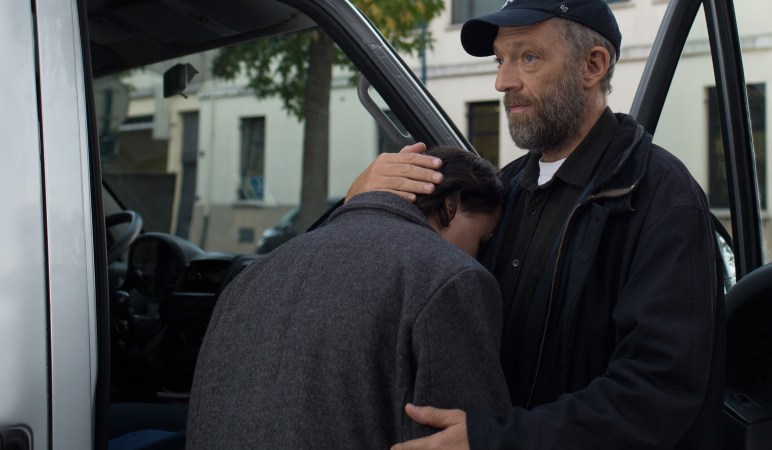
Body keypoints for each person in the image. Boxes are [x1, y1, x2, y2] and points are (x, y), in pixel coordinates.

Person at [347, 1, 723, 448]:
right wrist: (361, 202)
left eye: (527, 57)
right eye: (500, 60)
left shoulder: (660, 198)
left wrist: (495, 440)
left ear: (593, 65)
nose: (503, 81)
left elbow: (657, 395)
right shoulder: (503, 190)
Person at [185, 146, 511, 449]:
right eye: (482, 240)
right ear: (450, 204)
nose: (478, 254)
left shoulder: (253, 275)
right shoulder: (452, 278)